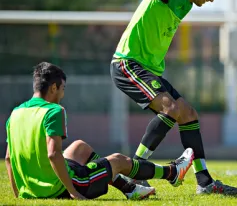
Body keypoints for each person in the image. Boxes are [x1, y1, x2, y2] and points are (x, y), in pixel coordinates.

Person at [111, 0, 237, 195]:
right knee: (170, 108)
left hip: (148, 69)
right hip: (127, 63)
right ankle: (134, 171)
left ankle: (204, 182)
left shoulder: (188, 2)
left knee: (188, 113)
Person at [5, 62, 194, 200]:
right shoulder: (53, 111)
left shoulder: (15, 113)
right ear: (53, 87)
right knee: (119, 160)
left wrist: (17, 193)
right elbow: (54, 154)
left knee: (79, 147)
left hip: (30, 191)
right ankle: (171, 172)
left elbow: (8, 158)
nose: (63, 94)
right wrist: (72, 191)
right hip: (59, 188)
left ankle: (129, 188)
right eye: (62, 89)